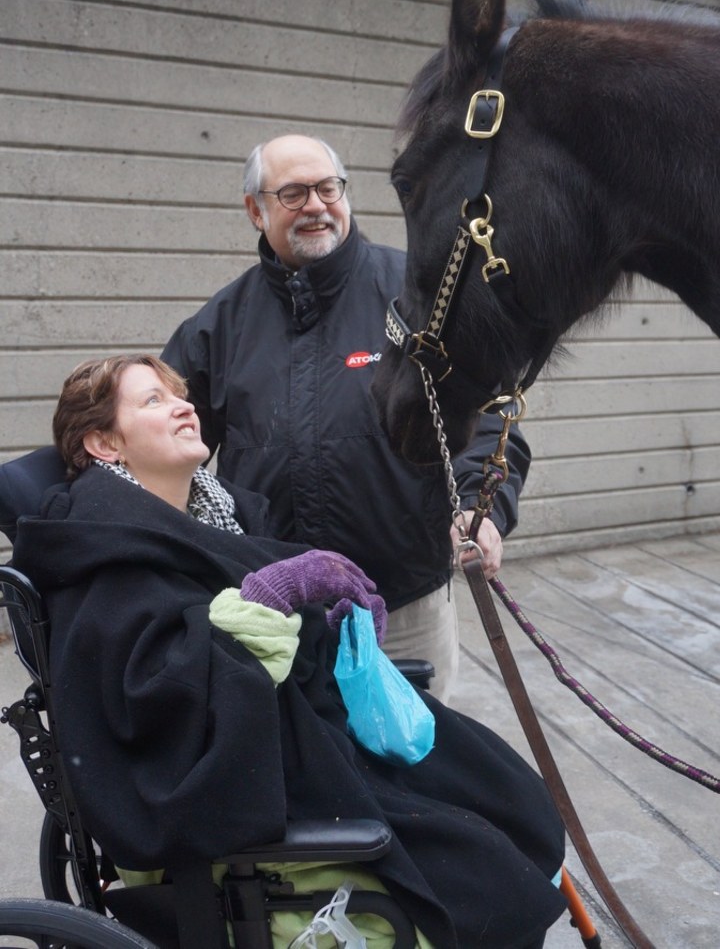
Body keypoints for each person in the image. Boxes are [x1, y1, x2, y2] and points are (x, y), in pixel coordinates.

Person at [13, 355, 566, 949]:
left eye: (178, 394)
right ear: (102, 442)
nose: (184, 405)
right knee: (488, 878)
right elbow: (157, 699)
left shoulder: (225, 514)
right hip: (253, 777)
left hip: (300, 736)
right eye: (152, 400)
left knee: (506, 793)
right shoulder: (103, 543)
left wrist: (328, 627)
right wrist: (269, 597)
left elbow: (267, 635)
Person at [162, 134, 532, 702]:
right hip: (276, 612)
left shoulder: (420, 297)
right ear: (255, 211)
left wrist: (481, 508)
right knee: (302, 774)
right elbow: (164, 446)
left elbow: (490, 422)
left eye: (327, 187)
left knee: (418, 764)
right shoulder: (219, 326)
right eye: (291, 193)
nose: (314, 205)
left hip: (405, 601)